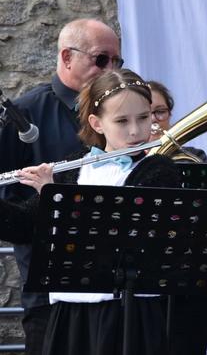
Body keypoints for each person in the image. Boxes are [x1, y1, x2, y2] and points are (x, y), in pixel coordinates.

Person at [0, 69, 179, 355]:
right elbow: (23, 226)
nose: (135, 131)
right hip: (70, 310)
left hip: (129, 312)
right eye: (122, 121)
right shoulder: (75, 167)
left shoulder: (159, 171)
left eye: (144, 118)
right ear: (97, 123)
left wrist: (55, 197)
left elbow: (113, 231)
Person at [0, 18, 122, 355]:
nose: (110, 68)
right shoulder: (24, 114)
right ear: (67, 57)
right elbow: (9, 200)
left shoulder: (117, 112)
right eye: (101, 59)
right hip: (49, 286)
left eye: (116, 61)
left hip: (112, 286)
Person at [147, 80, 207, 355]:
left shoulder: (194, 159)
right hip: (141, 290)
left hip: (187, 286)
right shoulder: (118, 163)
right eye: (143, 113)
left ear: (170, 115)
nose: (152, 120)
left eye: (159, 112)